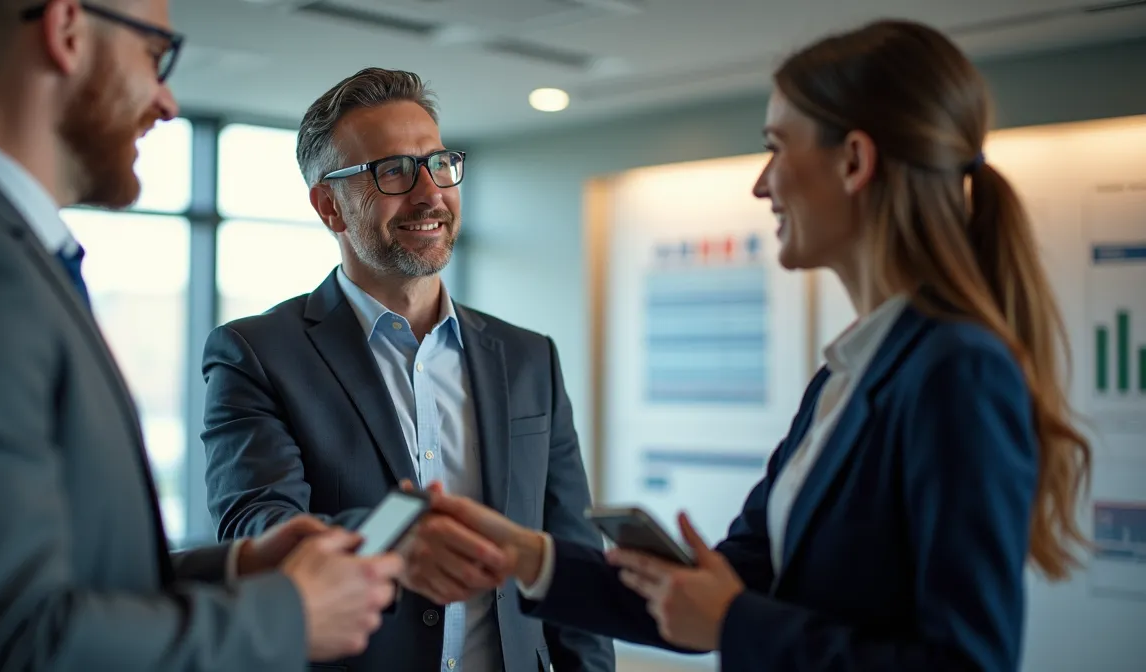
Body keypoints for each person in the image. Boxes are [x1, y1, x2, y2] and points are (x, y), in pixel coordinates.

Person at [420, 18, 1093, 672]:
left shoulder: (956, 371)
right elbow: (730, 582)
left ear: (855, 161)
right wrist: (527, 557)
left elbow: (966, 660)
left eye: (777, 146)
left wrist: (733, 621)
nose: (762, 183)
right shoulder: (845, 376)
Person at [0, 1, 402, 669]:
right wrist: (290, 615)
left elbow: (50, 580)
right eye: (153, 55)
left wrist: (239, 568)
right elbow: (15, 644)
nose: (166, 102)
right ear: (66, 30)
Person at [200, 67, 614, 672]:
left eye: (438, 164)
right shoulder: (256, 354)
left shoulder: (528, 358)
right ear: (329, 206)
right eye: (392, 171)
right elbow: (259, 527)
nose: (429, 194)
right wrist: (393, 539)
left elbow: (571, 550)